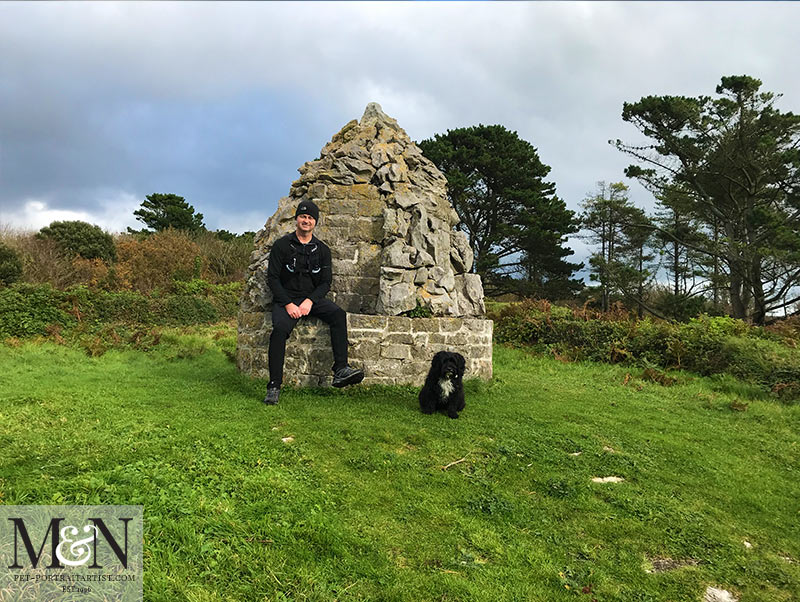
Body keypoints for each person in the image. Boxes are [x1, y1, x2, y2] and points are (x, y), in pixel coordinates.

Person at [263, 200, 364, 404]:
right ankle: (274, 386)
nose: (306, 220)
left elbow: (326, 282)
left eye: (310, 218)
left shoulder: (322, 250)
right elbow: (272, 278)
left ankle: (341, 369)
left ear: (315, 222)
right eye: (303, 216)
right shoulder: (282, 245)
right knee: (279, 331)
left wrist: (310, 301)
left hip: (311, 299)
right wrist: (288, 304)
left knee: (338, 315)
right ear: (297, 219)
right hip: (287, 299)